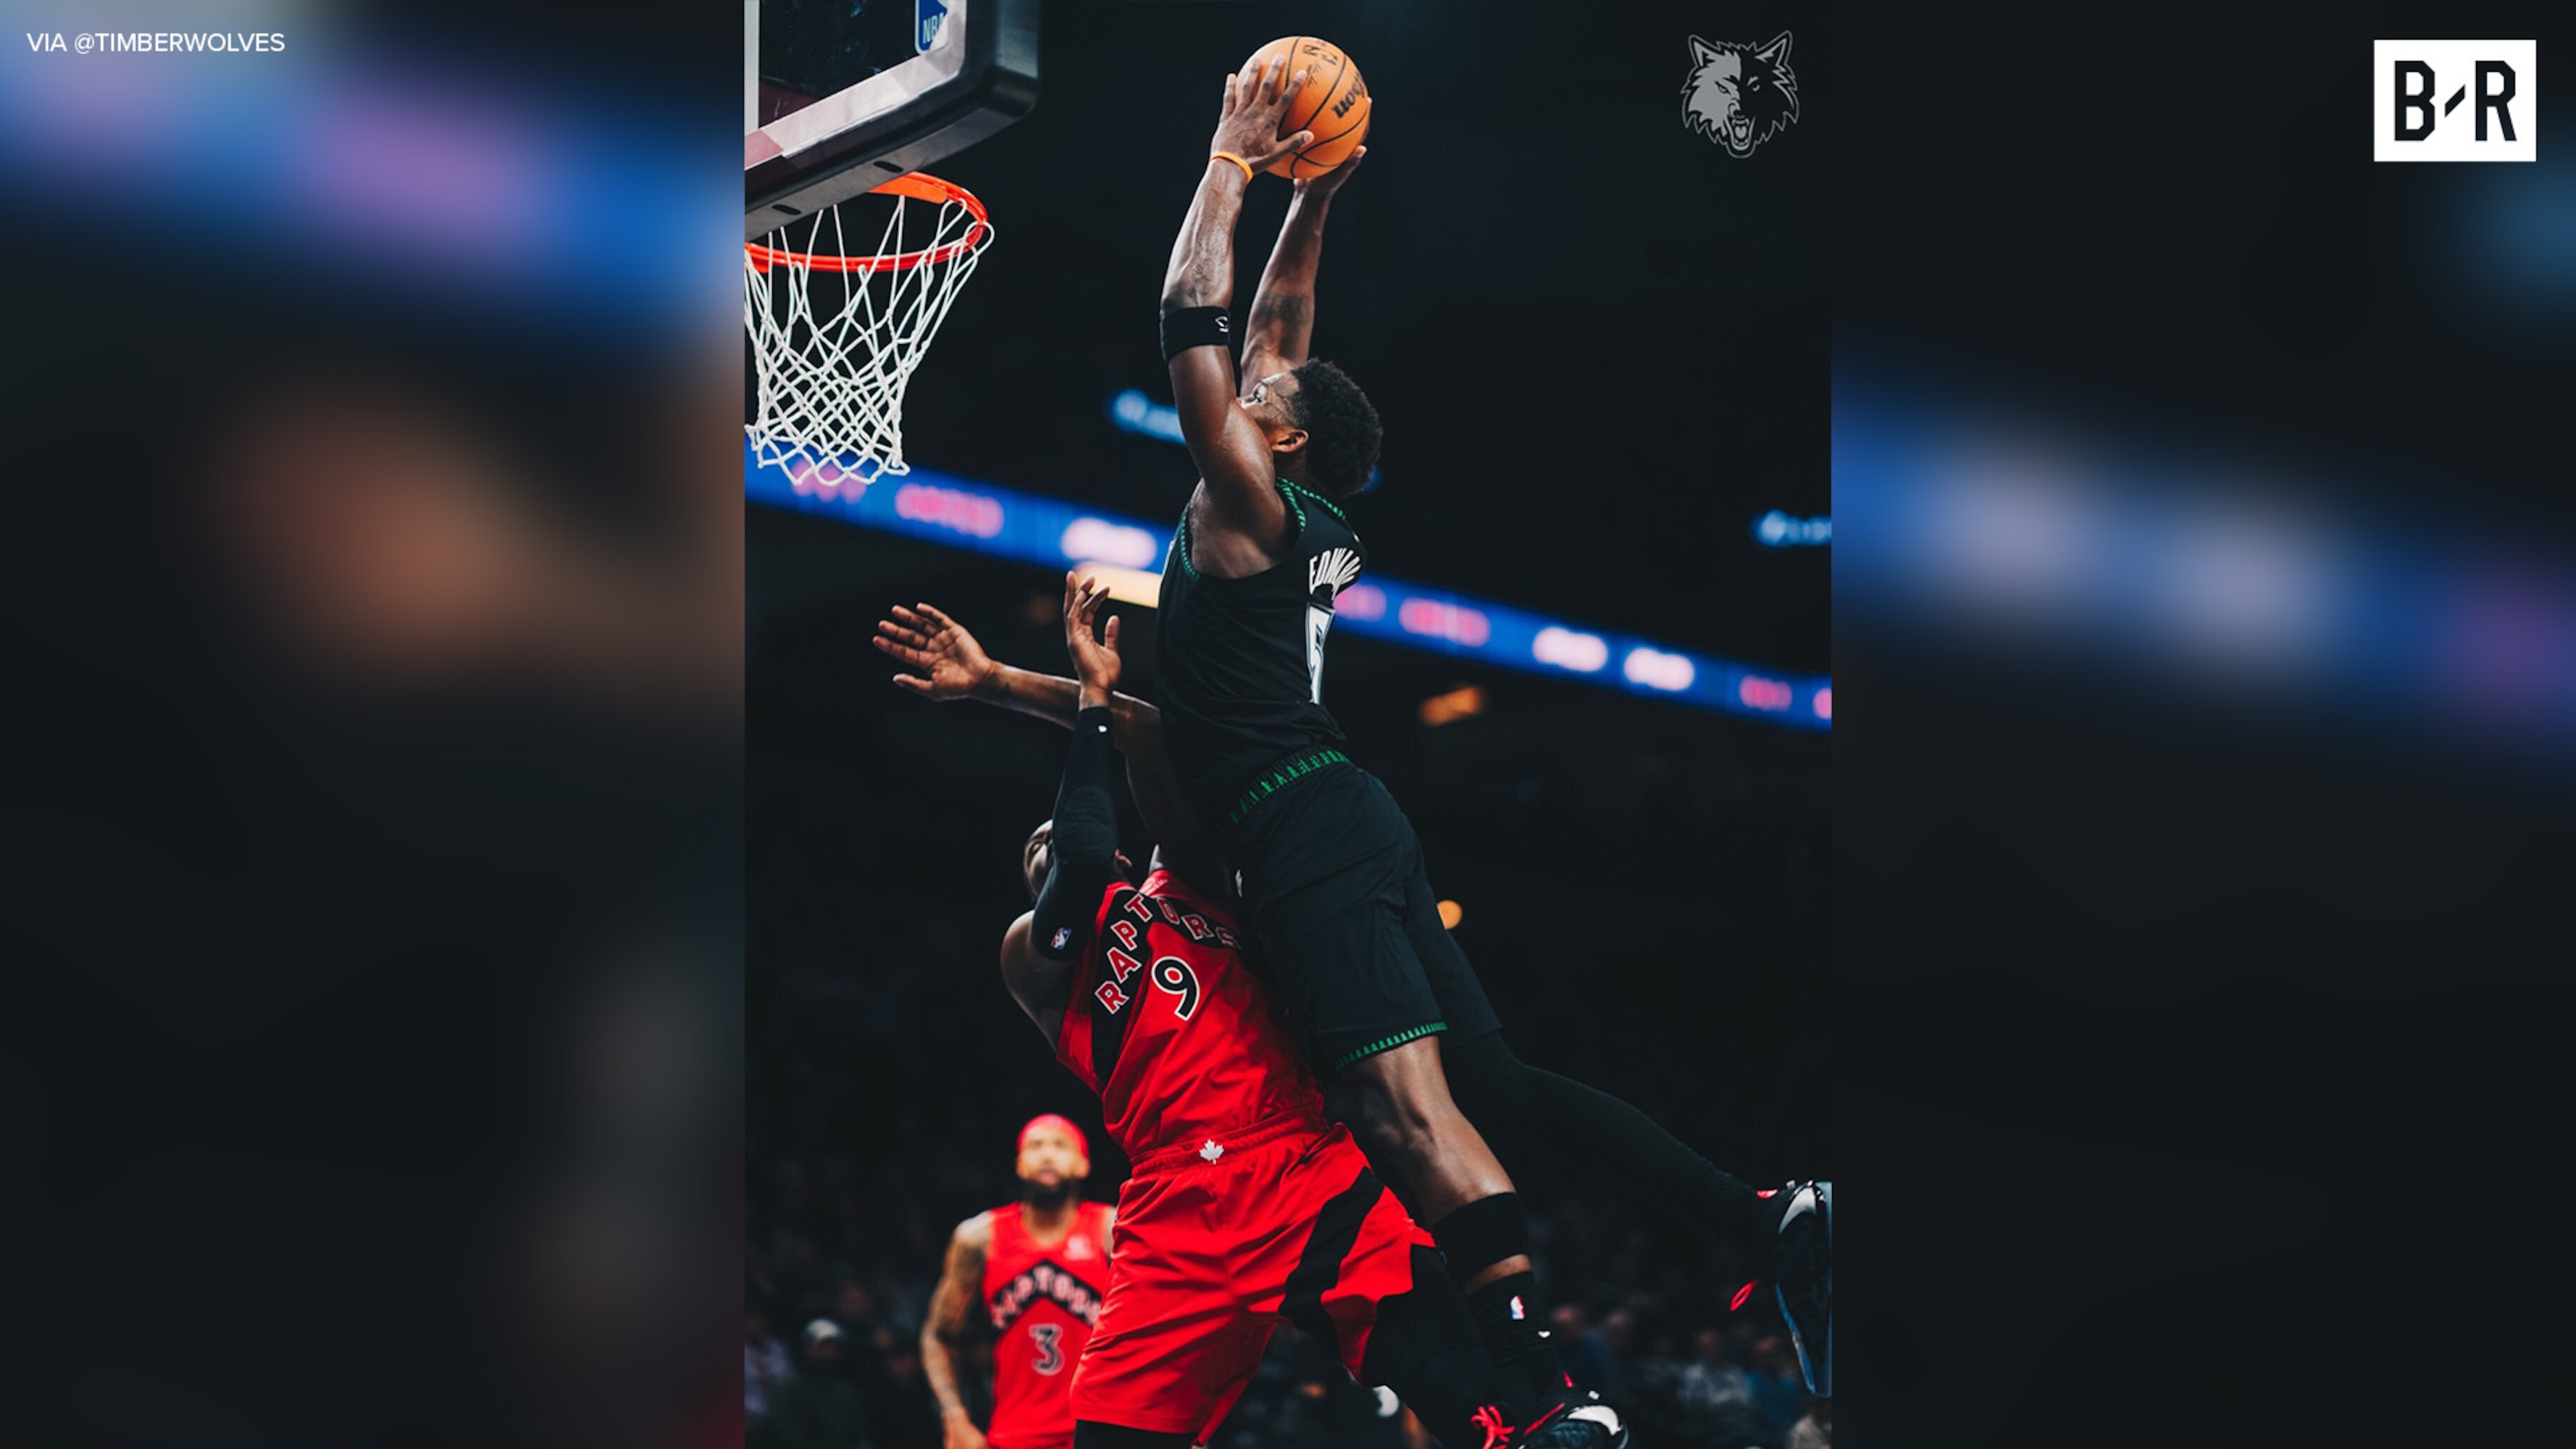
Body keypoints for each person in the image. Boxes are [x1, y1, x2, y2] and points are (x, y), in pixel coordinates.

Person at [1148, 52, 1832, 1400]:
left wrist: (1233, 157)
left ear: (1273, 446)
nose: (1253, 385)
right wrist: (1320, 197)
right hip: (1350, 812)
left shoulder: (1247, 505)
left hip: (1300, 819)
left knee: (1406, 1114)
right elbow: (1279, 326)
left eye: (1260, 401)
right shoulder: (1297, 506)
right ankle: (1772, 1220)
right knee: (1498, 1090)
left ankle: (1543, 1400)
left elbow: (1191, 309)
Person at [988, 573, 1624, 1449]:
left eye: (1047, 831)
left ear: (1140, 854)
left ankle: (1532, 1430)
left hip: (1289, 1154)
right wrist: (1091, 700)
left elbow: (1157, 743)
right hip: (1170, 1200)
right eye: (1034, 846)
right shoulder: (1034, 954)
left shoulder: (1189, 881)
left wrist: (1017, 683)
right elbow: (1085, 839)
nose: (1045, 842)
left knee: (1431, 1339)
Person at [920, 1116, 1116, 1449]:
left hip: (1097, 1435)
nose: (1047, 1155)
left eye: (1060, 1146)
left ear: (1083, 1165)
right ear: (1020, 1165)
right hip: (1013, 1437)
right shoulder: (979, 1238)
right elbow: (938, 1335)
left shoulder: (1111, 1230)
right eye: (1036, 1146)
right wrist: (954, 1417)